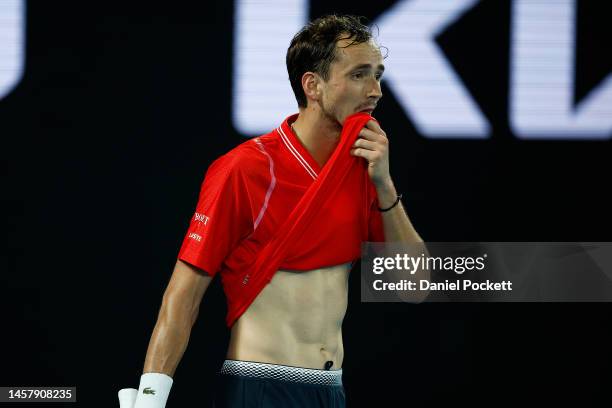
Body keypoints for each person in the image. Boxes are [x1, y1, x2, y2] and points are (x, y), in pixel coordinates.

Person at [119, 14, 425, 408]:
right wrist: (150, 399)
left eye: (377, 74)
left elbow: (413, 287)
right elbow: (182, 296)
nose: (376, 90)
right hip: (261, 387)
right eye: (359, 75)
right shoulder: (244, 168)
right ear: (312, 85)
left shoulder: (363, 170)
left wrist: (384, 183)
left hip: (332, 391)